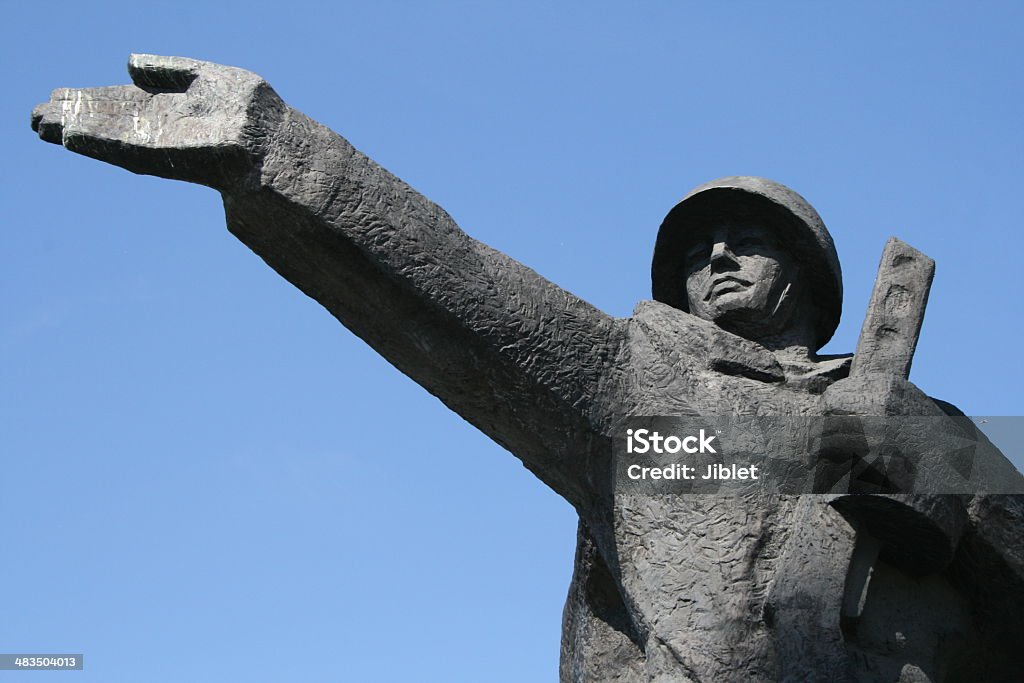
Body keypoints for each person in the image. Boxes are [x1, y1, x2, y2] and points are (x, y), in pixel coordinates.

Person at [32, 55, 1024, 681]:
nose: (715, 255)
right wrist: (276, 149)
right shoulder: (648, 391)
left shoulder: (918, 414)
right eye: (697, 246)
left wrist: (930, 469)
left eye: (745, 240)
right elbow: (456, 285)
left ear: (805, 275)